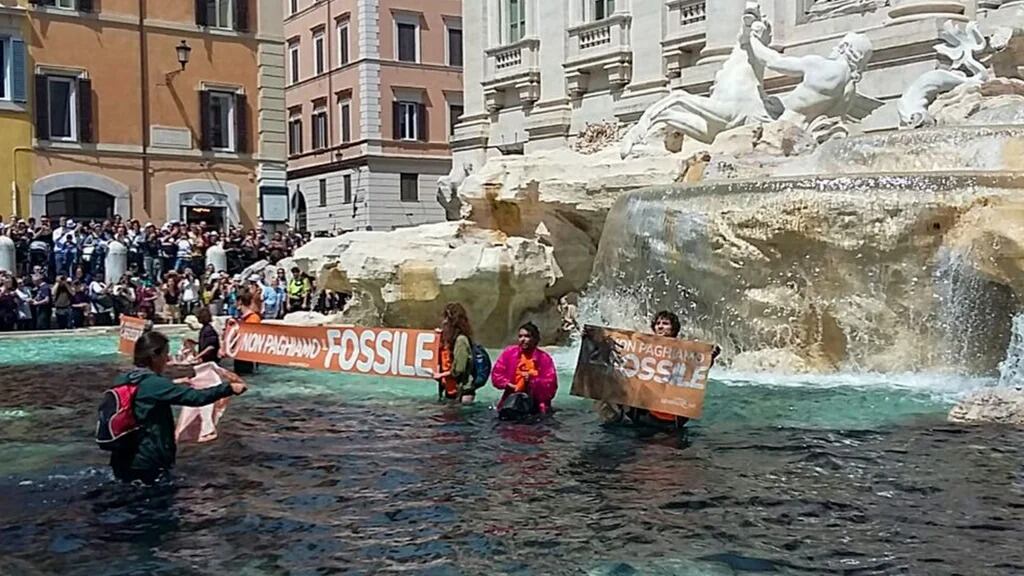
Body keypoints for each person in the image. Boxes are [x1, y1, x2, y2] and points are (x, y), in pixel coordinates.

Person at [108, 331, 246, 484]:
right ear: (154, 356)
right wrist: (229, 388)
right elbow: (196, 398)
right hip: (149, 461)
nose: (167, 359)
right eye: (165, 354)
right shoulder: (155, 384)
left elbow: (144, 394)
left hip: (122, 457)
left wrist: (173, 384)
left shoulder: (123, 379)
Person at [600, 311, 721, 429]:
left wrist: (710, 357)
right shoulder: (643, 347)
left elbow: (696, 372)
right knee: (606, 392)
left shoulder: (684, 351)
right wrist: (591, 337)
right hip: (644, 411)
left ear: (674, 329)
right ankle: (615, 424)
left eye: (665, 323)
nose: (660, 326)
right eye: (658, 323)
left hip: (671, 415)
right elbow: (619, 357)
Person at [491, 322, 558, 419]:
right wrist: (508, 384)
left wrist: (533, 381)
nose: (523, 339)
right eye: (520, 336)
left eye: (527, 336)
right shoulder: (509, 353)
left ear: (535, 339)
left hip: (536, 405)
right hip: (512, 401)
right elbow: (497, 375)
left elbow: (551, 385)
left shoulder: (544, 358)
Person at [435, 303, 476, 404]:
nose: (443, 321)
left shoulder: (461, 340)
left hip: (463, 391)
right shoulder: (452, 339)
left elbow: (459, 369)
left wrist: (440, 375)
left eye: (446, 318)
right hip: (453, 389)